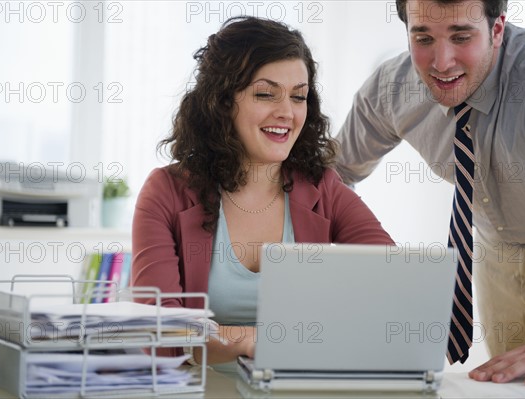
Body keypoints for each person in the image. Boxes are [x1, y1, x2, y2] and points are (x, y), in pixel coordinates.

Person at [335, 0, 525, 386]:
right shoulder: (391, 90)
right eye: (424, 38)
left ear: (497, 29)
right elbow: (332, 175)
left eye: (461, 37)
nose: (442, 62)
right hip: (493, 253)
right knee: (509, 388)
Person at [131, 16, 394, 366]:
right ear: (223, 101)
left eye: (298, 97)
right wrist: (251, 339)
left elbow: (394, 282)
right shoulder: (166, 192)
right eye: (266, 94)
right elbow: (161, 333)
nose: (286, 112)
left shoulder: (323, 189)